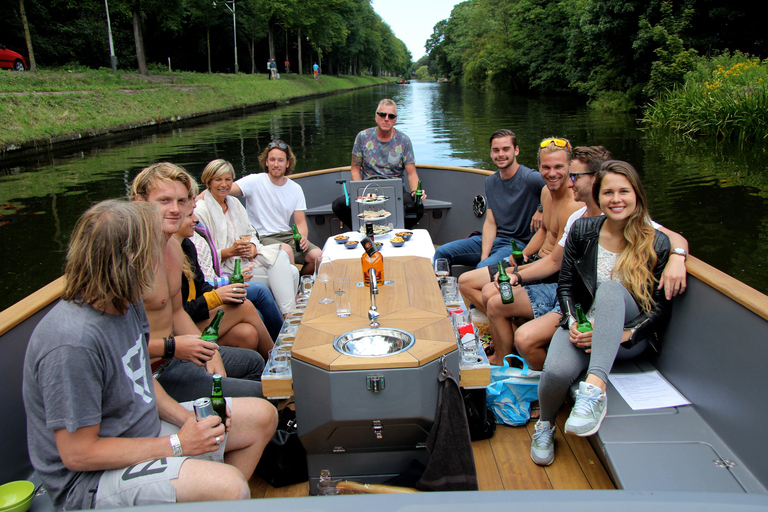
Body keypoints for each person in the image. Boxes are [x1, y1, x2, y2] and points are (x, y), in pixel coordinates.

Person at [23, 199, 277, 511]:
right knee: (230, 487)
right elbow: (78, 453)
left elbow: (142, 380)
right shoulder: (71, 342)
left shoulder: (125, 305)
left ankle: (211, 497)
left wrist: (187, 420)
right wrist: (178, 444)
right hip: (89, 481)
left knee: (262, 417)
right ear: (128, 260)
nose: (161, 260)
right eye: (151, 252)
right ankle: (220, 493)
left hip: (143, 431)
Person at [530, 160, 672, 467]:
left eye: (624, 191)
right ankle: (545, 426)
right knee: (554, 372)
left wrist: (626, 333)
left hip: (627, 338)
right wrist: (572, 324)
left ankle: (594, 390)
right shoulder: (582, 230)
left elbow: (660, 309)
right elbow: (565, 285)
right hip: (585, 328)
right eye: (608, 192)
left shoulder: (656, 241)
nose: (616, 199)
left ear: (637, 195)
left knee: (609, 290)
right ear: (598, 196)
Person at [131, 162, 266, 402]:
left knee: (254, 362)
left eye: (182, 201)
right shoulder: (129, 260)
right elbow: (118, 347)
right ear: (140, 202)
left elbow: (177, 313)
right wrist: (173, 347)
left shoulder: (173, 246)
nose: (176, 210)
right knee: (260, 396)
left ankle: (236, 416)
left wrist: (209, 352)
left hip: (178, 354)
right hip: (150, 373)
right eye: (164, 201)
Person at [194, 158, 299, 315]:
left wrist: (253, 247)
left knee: (283, 258)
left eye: (228, 179)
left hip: (247, 260)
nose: (224, 184)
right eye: (218, 180)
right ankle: (288, 316)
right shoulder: (200, 211)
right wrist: (230, 252)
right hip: (226, 269)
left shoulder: (234, 203)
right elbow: (202, 257)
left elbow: (250, 233)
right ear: (208, 182)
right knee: (292, 272)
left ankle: (287, 317)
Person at [433, 129, 545, 271]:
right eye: (496, 150)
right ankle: (443, 290)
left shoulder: (530, 178)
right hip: (495, 240)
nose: (501, 154)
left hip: (517, 245)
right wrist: (484, 255)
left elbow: (559, 189)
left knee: (483, 269)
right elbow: (491, 222)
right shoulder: (491, 181)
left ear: (516, 150)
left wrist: (541, 208)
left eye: (506, 149)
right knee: (442, 253)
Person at [176, 203, 274, 358]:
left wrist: (222, 296)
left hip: (197, 315)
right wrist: (216, 297)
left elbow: (202, 286)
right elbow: (179, 313)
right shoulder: (167, 258)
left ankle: (253, 371)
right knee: (246, 306)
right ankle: (279, 361)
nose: (196, 219)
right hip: (180, 331)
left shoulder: (187, 246)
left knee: (247, 334)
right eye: (190, 215)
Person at [229, 140, 323, 276]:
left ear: (287, 163)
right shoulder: (253, 181)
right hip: (262, 236)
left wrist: (302, 236)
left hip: (286, 234)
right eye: (272, 160)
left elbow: (301, 222)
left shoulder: (295, 188)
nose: (276, 164)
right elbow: (225, 189)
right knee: (286, 251)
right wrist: (197, 198)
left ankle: (299, 286)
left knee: (317, 256)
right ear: (266, 162)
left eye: (280, 160)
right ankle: (291, 294)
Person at [331, 98, 426, 230]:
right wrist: (360, 192)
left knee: (418, 208)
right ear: (376, 117)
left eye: (391, 116)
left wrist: (416, 192)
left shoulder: (404, 141)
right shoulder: (362, 137)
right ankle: (363, 231)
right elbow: (355, 169)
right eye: (383, 115)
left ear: (395, 120)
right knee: (339, 205)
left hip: (395, 191)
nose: (386, 119)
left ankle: (397, 232)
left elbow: (411, 173)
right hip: (367, 190)